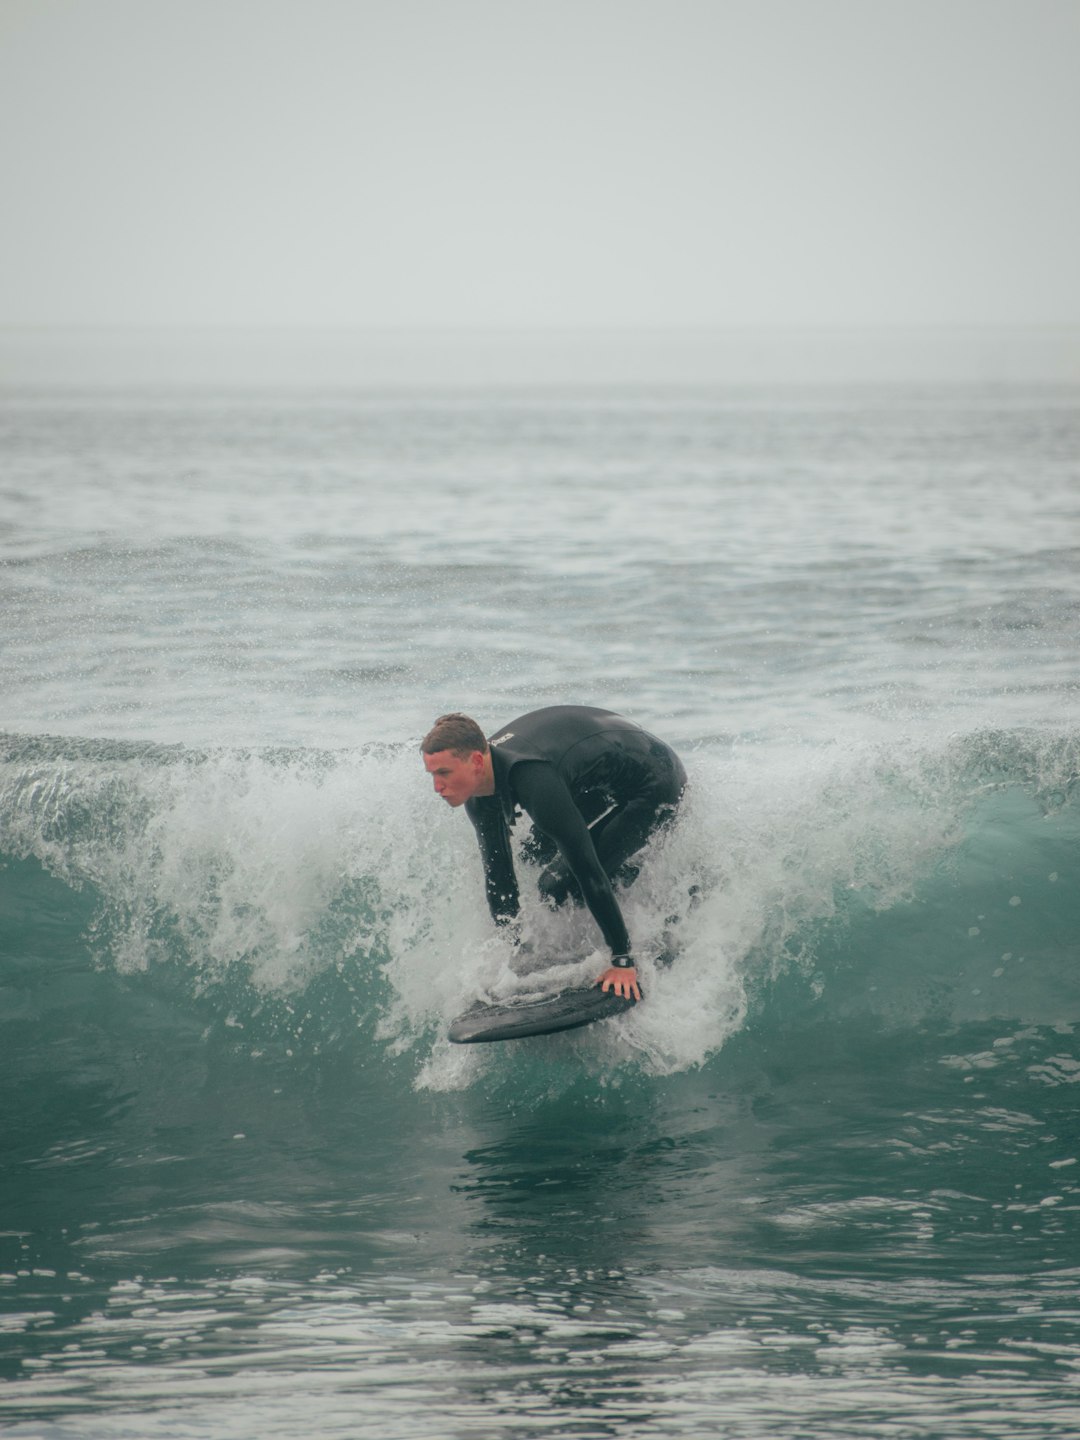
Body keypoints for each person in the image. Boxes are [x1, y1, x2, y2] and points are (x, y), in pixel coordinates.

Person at [420, 706, 687, 1000]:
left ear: (476, 761)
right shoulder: (480, 795)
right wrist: (509, 958)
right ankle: (613, 878)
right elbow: (500, 880)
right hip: (595, 777)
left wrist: (622, 961)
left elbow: (587, 870)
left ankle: (635, 918)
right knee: (533, 853)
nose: (437, 787)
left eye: (444, 773)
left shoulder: (534, 780)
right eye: (432, 774)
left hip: (655, 780)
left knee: (559, 886)